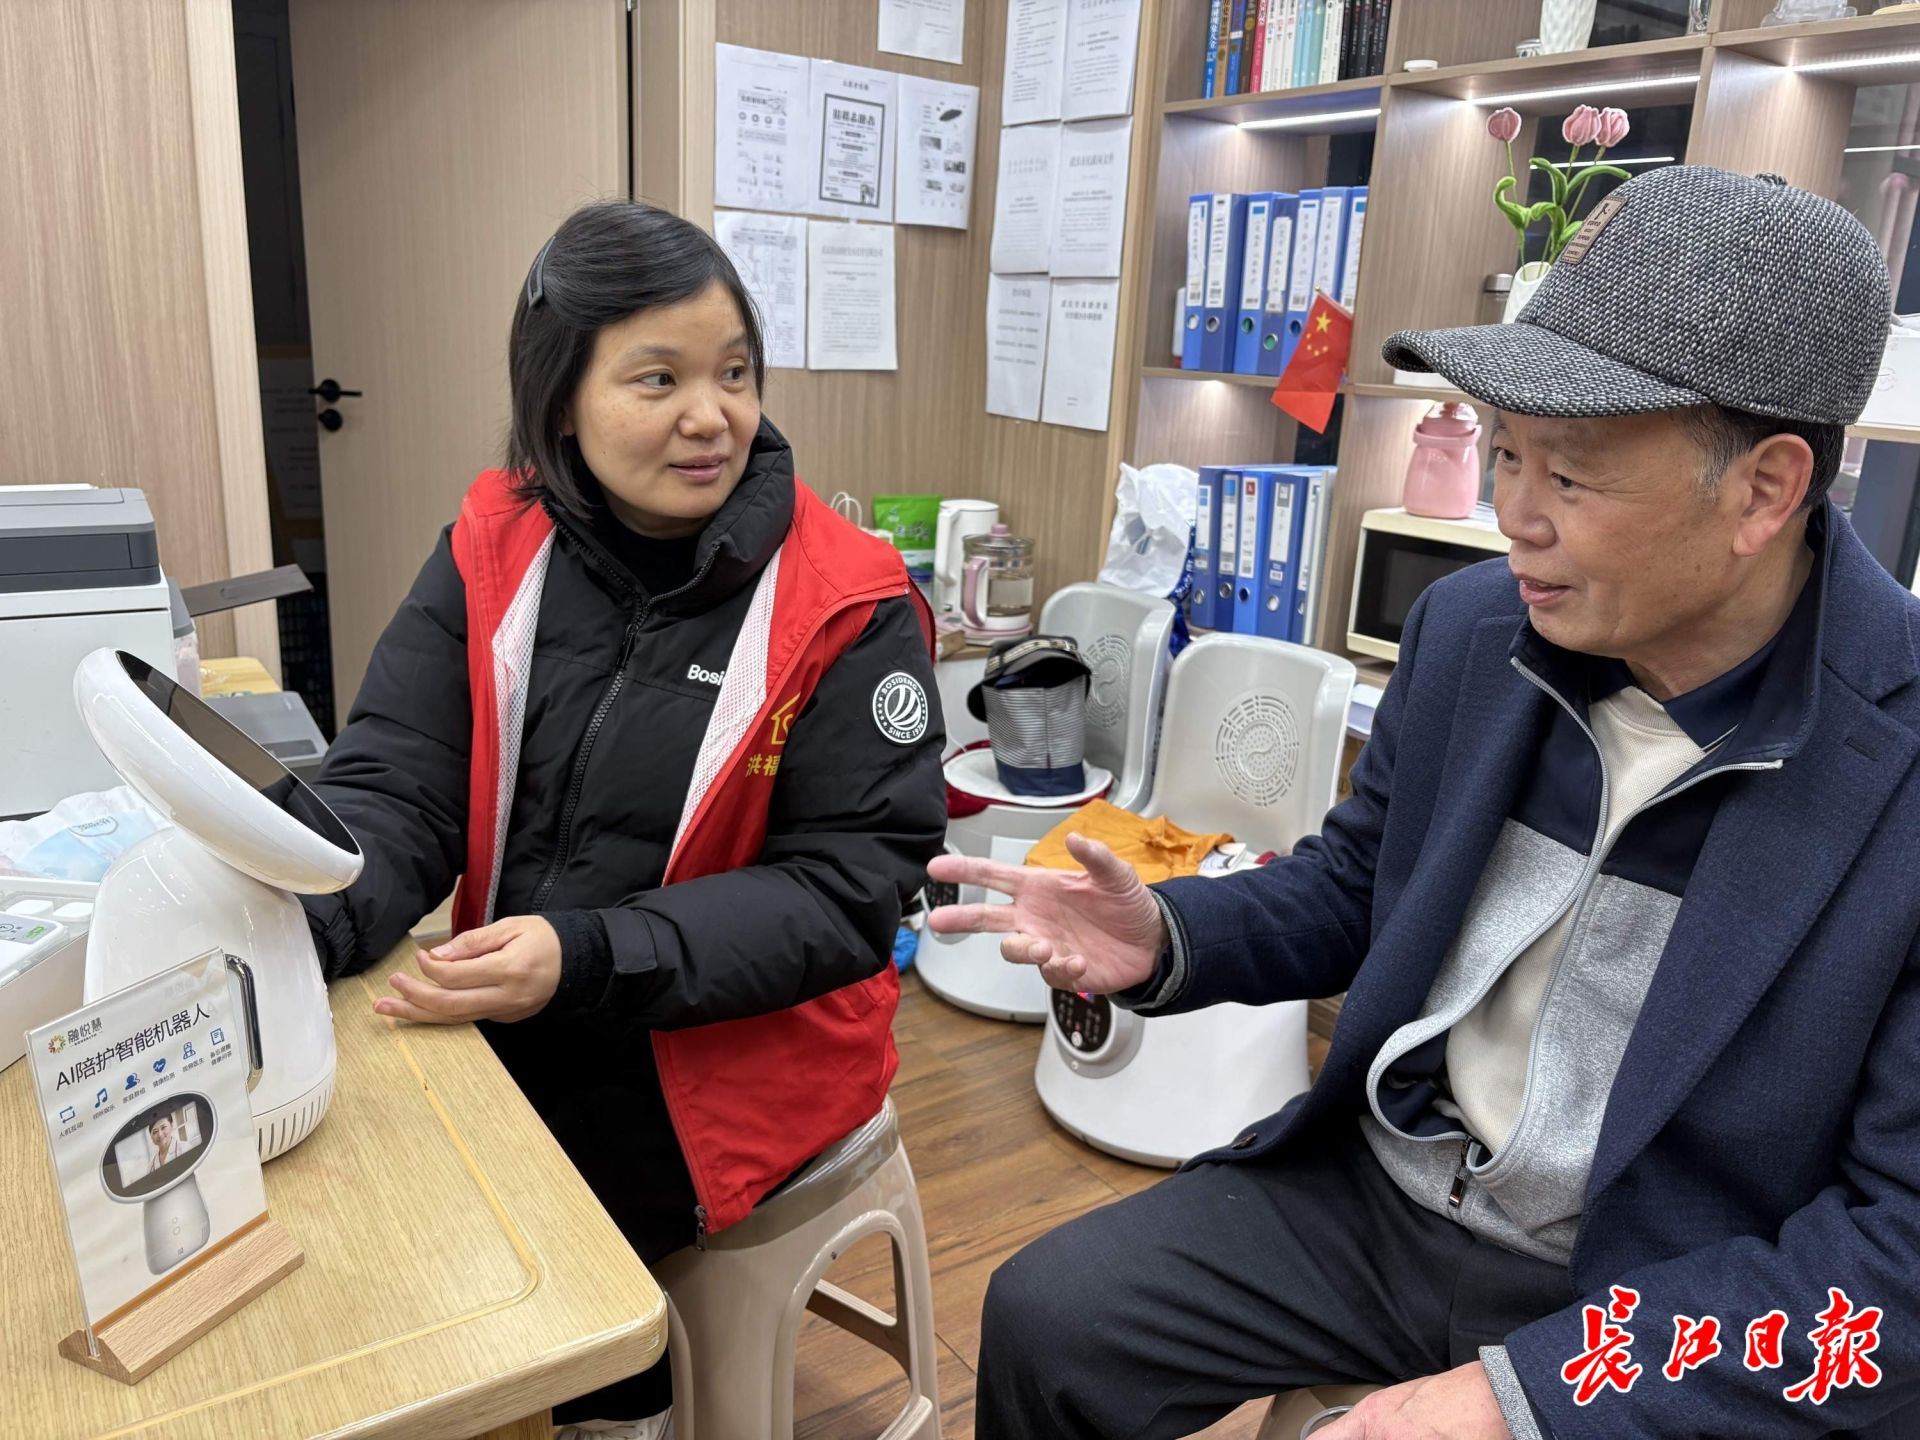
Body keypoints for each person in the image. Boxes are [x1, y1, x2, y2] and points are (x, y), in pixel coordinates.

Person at [931, 166, 1920, 1439]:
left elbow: (1899, 1260)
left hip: (1658, 1286)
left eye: (1571, 478)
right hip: (1389, 1190)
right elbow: (1362, 885)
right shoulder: (1473, 633)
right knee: (1051, 1318)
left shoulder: (1893, 765)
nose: (1513, 517)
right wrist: (1173, 934)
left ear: (1766, 491)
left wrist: (1524, 1401)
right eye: (1504, 452)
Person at [301, 200, 947, 1438]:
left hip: (731, 1054)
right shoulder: (496, 541)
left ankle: (619, 1406)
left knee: (539, 1217)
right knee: (369, 1144)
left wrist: (590, 953)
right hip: (533, 997)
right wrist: (310, 915)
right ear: (561, 404)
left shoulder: (848, 601)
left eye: (733, 374)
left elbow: (847, 893)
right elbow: (399, 776)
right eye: (659, 379)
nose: (711, 415)